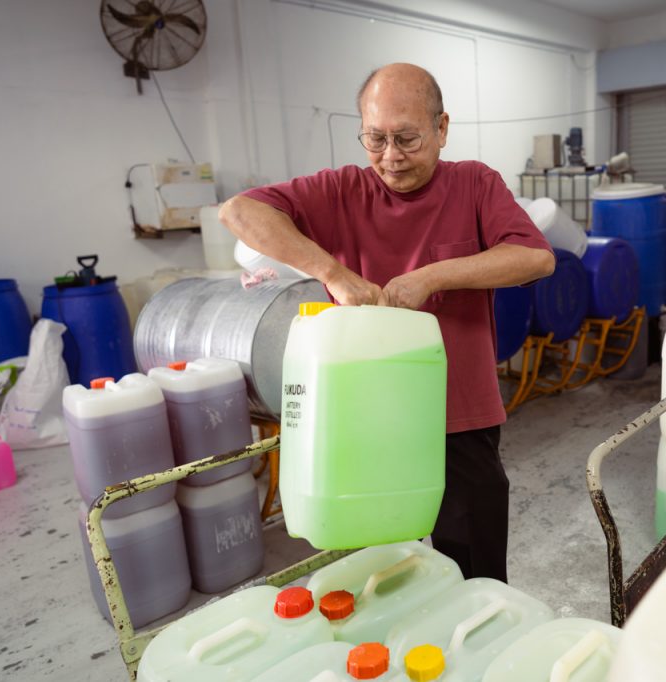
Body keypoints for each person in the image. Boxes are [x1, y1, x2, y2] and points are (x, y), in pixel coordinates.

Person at [220, 63, 555, 581]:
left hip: (458, 417)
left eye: (407, 138)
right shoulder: (340, 191)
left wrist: (432, 276)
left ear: (442, 129)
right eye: (375, 140)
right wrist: (331, 272)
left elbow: (536, 258)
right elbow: (239, 213)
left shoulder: (473, 184)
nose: (391, 157)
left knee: (474, 571)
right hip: (368, 417)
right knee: (383, 572)